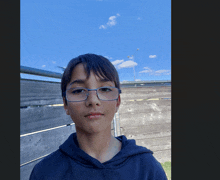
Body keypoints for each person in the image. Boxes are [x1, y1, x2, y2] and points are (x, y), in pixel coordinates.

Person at [29, 54, 167, 180]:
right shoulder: (45, 173)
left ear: (117, 101)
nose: (93, 100)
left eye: (105, 89)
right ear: (65, 104)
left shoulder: (147, 168)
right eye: (79, 90)